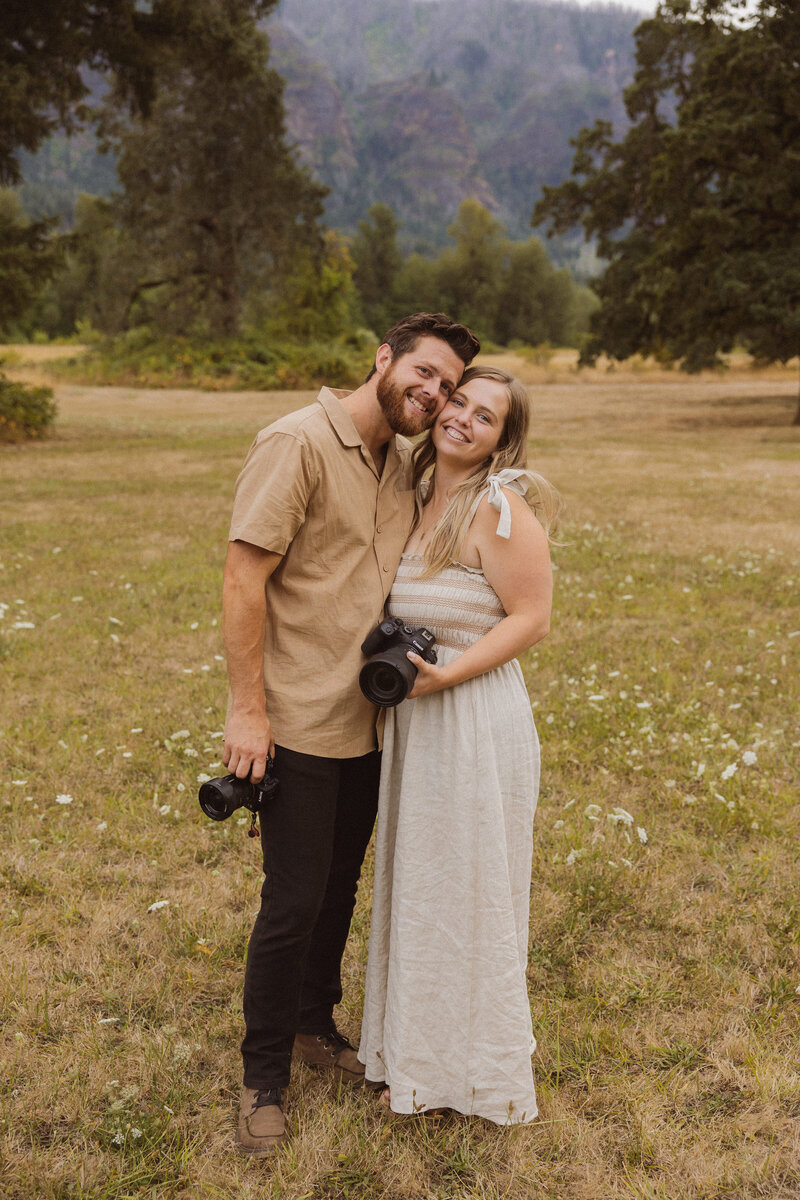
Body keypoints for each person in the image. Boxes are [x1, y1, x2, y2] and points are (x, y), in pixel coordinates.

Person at [221, 313, 480, 1155]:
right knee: (292, 902)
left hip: (372, 723)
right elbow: (243, 574)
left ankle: (310, 1025)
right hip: (296, 720)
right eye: (426, 373)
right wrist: (247, 709)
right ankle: (263, 1079)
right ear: (385, 359)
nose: (434, 393)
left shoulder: (404, 462)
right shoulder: (295, 442)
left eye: (447, 385)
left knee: (338, 889)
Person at [358, 364, 561, 1124]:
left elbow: (530, 618)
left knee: (467, 890)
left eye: (486, 416)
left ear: (503, 440)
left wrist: (447, 677)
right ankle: (413, 1054)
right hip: (418, 723)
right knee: (422, 887)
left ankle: (468, 1070)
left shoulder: (499, 506)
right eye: (459, 404)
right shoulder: (411, 497)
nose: (464, 420)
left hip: (472, 717)